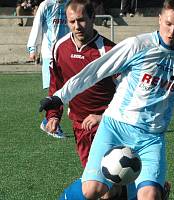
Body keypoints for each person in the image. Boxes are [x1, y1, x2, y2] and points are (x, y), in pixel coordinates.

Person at [39, 0, 174, 199]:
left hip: (151, 138)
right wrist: (59, 97)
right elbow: (94, 71)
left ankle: (159, 189)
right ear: (160, 19)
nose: (172, 32)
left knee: (149, 196)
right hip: (115, 127)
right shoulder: (137, 45)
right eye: (168, 24)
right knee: (93, 190)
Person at [46, 0, 125, 198]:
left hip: (108, 126)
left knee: (106, 184)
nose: (76, 26)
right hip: (80, 126)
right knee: (101, 184)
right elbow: (57, 85)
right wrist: (53, 115)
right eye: (71, 21)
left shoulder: (109, 51)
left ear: (93, 18)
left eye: (81, 20)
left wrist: (102, 116)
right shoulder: (59, 48)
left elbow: (127, 92)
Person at [27, 0, 70, 138]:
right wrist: (33, 48)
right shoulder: (46, 5)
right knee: (55, 90)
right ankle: (50, 122)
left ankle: (50, 121)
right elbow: (37, 26)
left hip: (67, 53)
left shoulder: (71, 3)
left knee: (67, 89)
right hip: (49, 55)